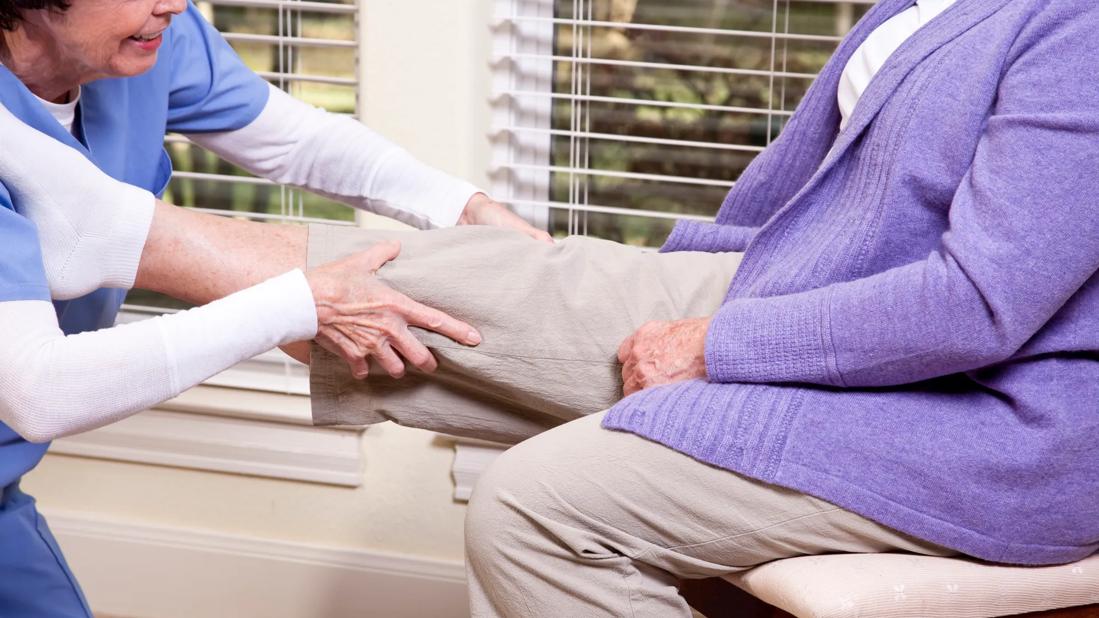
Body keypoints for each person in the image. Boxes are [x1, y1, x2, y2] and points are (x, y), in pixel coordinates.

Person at [7, 1, 1097, 617]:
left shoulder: (1070, 25)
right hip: (825, 295)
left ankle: (136, 241)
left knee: (528, 485)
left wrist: (460, 205)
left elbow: (981, 296)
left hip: (992, 401)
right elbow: (40, 391)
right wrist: (315, 291)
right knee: (448, 284)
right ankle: (142, 240)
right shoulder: (926, 8)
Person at [0, 0, 544, 614]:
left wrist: (460, 204)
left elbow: (296, 139)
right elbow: (38, 391)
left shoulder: (147, 40)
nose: (174, 3)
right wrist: (298, 303)